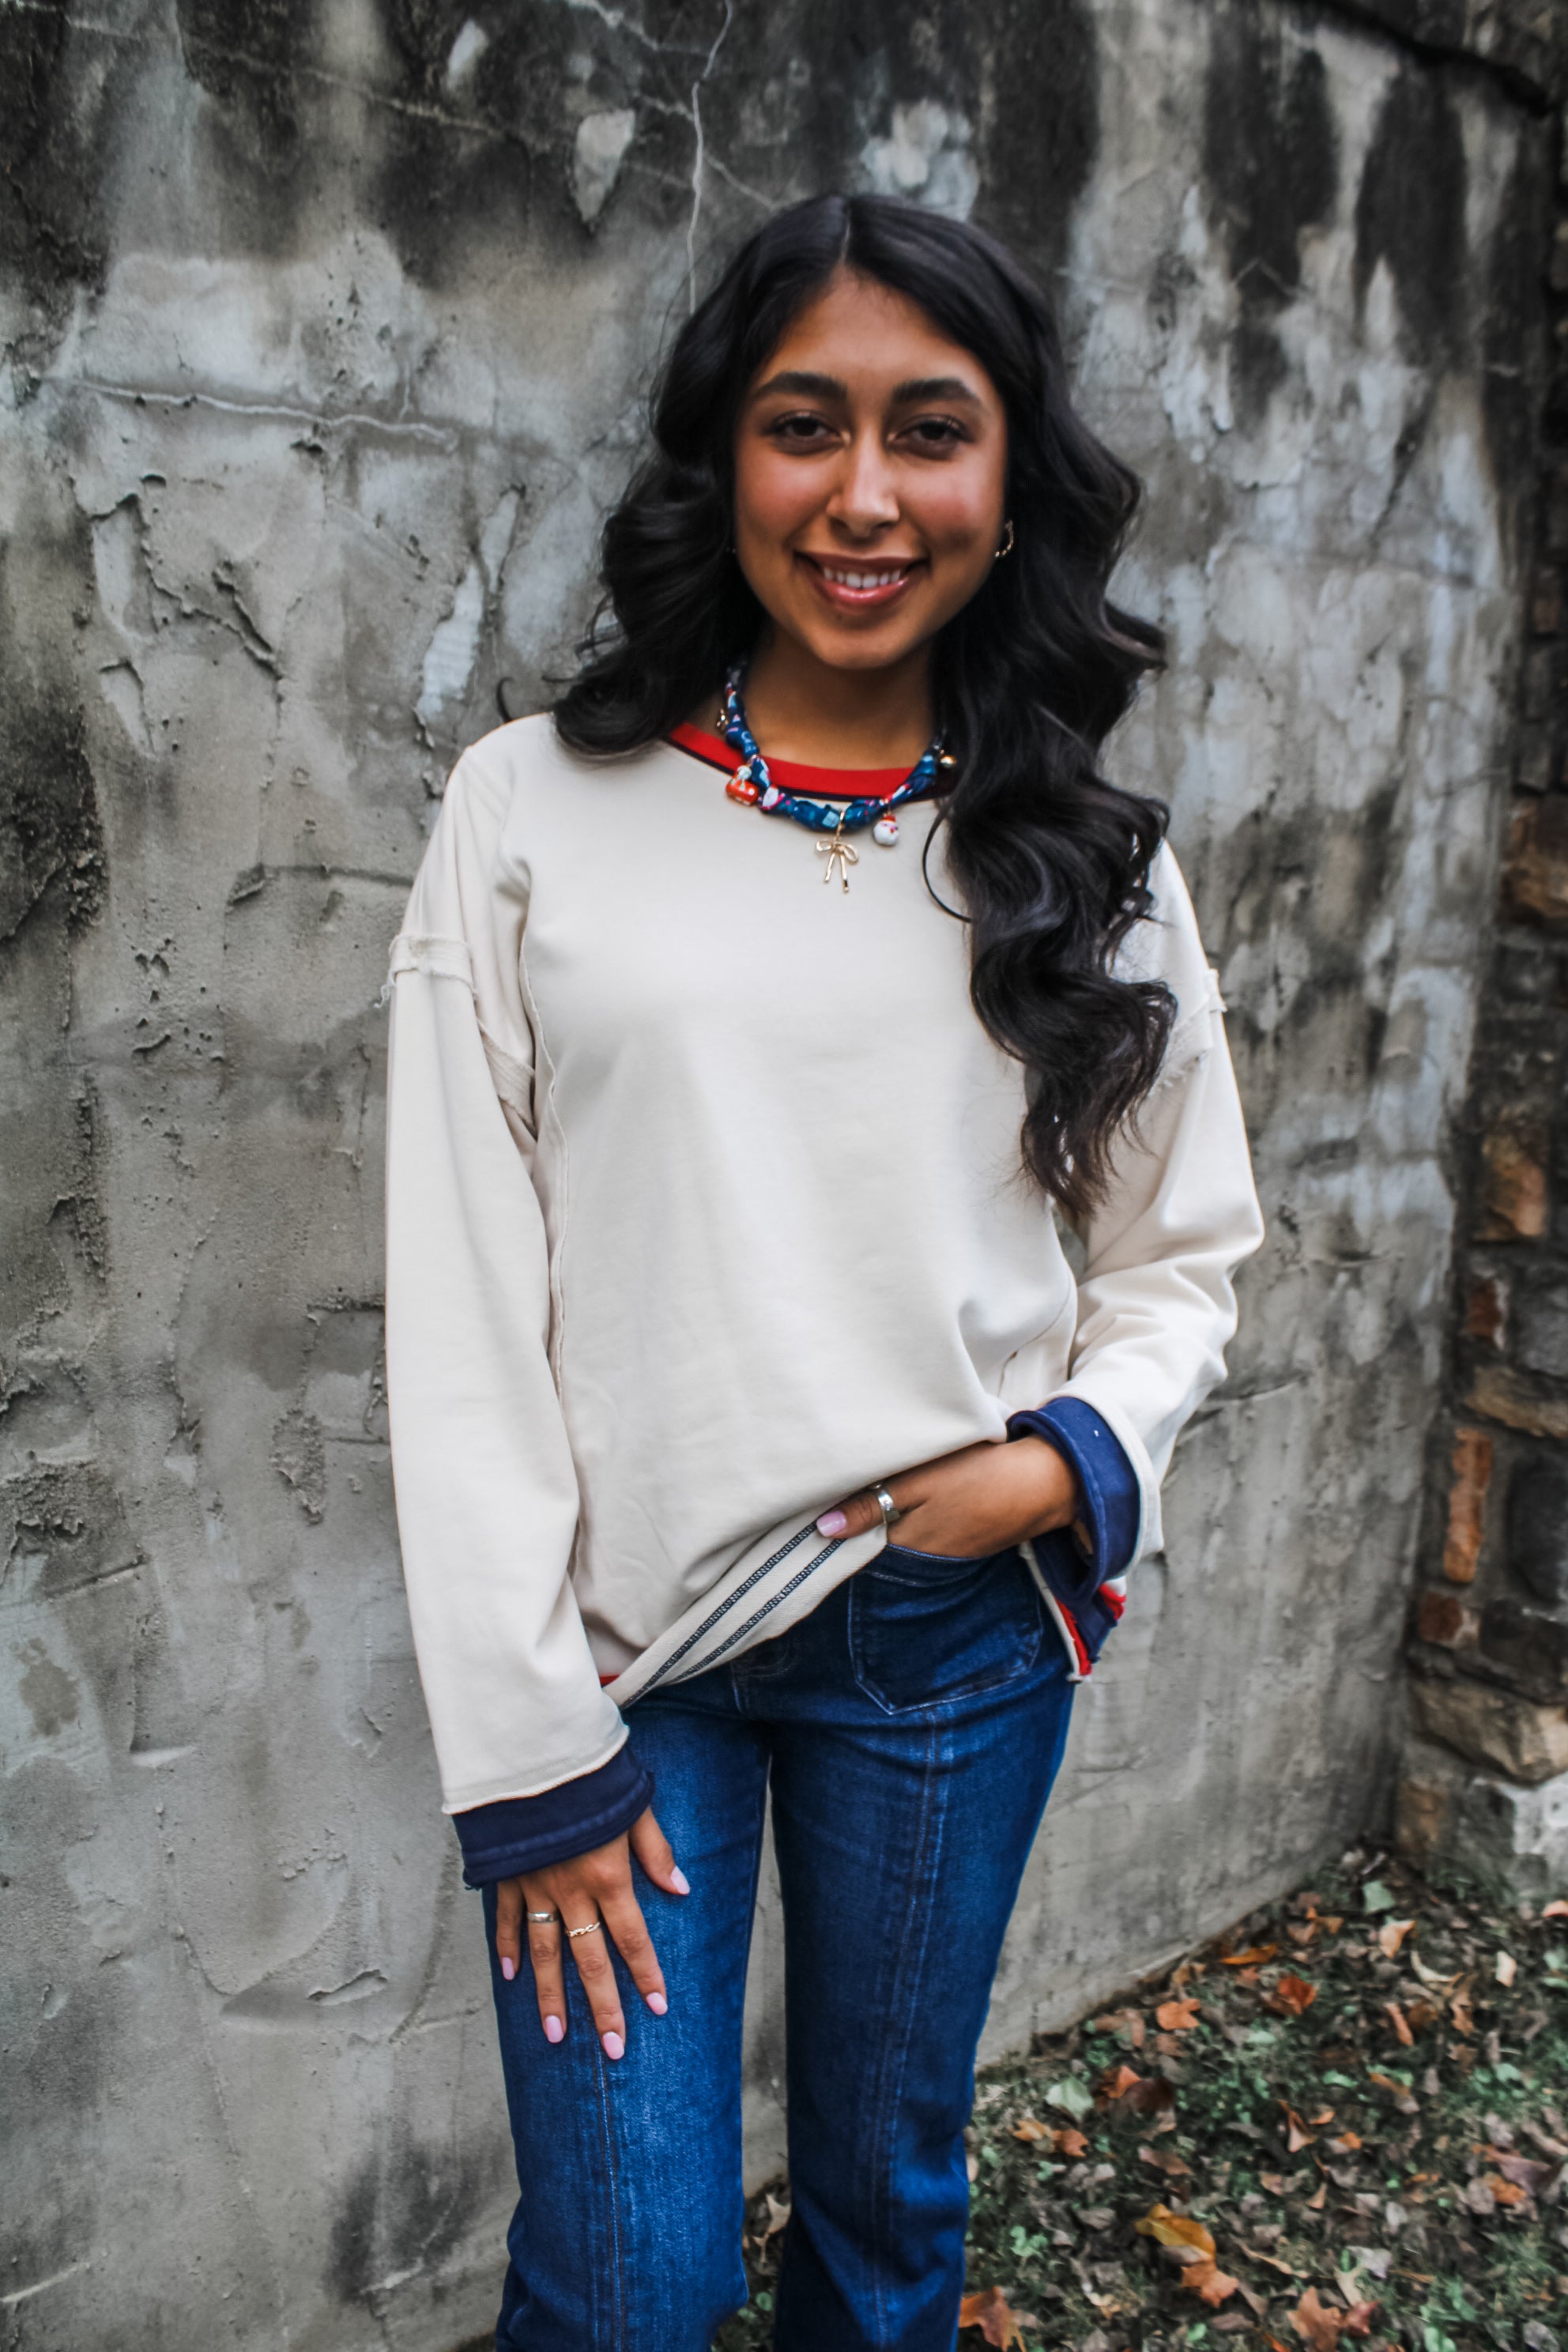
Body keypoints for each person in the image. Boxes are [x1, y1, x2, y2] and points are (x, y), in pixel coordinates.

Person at [383, 192, 1263, 2352]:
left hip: (953, 1639)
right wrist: (528, 1751)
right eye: (805, 425)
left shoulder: (1092, 860)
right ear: (725, 456)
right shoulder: (529, 810)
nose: (865, 495)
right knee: (633, 2283)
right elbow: (464, 1307)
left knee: (885, 2220)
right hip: (634, 1659)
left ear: (1007, 479)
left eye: (929, 431)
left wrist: (1064, 1460)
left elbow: (1184, 1251)